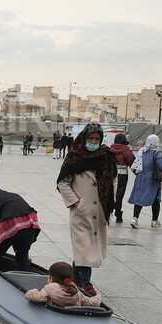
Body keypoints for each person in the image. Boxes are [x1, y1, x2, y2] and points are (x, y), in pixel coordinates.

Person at [56, 122, 116, 298]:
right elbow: (62, 183)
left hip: (100, 211)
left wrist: (110, 201)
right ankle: (87, 282)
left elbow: (113, 180)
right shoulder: (74, 157)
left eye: (97, 138)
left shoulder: (106, 155)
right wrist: (76, 203)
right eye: (91, 138)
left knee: (87, 248)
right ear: (84, 138)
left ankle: (74, 276)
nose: (94, 141)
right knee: (84, 247)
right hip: (81, 212)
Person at [128, 134, 162, 229]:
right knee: (155, 198)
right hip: (152, 178)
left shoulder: (141, 152)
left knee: (139, 198)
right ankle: (154, 220)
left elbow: (134, 165)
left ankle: (135, 218)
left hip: (140, 177)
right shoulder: (157, 154)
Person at [25, 262, 103, 307]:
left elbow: (38, 297)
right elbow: (88, 301)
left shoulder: (50, 289)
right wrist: (98, 298)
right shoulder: (75, 291)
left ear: (51, 279)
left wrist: (30, 292)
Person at [109, 133, 135, 223]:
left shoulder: (110, 150)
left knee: (110, 191)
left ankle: (108, 210)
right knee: (119, 193)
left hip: (110, 173)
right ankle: (118, 213)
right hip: (122, 174)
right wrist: (137, 173)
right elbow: (133, 162)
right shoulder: (126, 151)